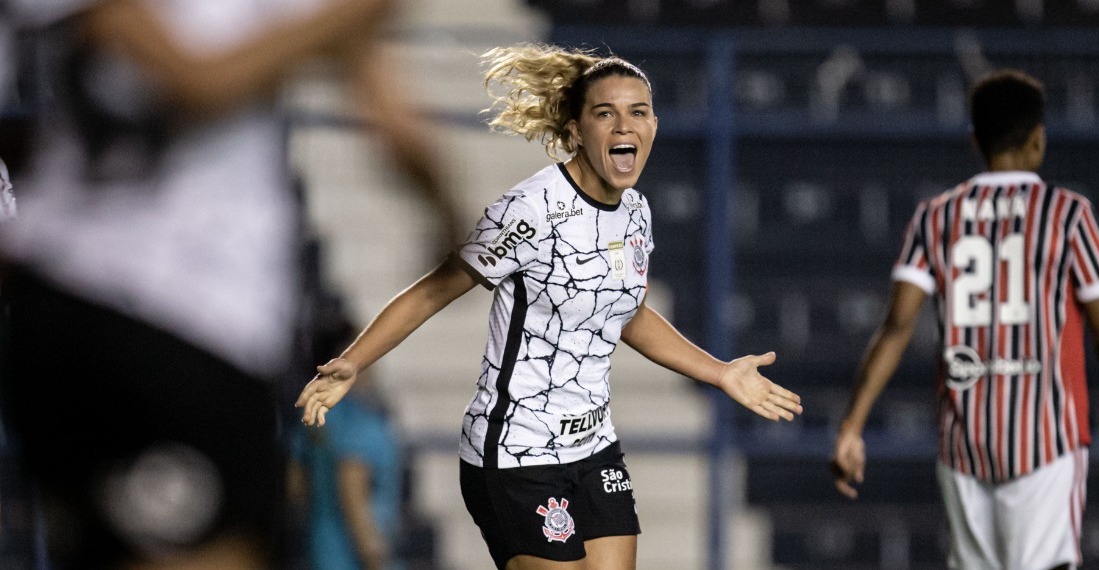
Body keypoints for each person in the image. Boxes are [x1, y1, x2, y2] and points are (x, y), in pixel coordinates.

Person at [296, 43, 804, 570]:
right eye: (605, 113)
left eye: (639, 112)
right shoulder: (530, 211)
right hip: (517, 452)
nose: (625, 126)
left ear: (654, 126)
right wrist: (353, 362)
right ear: (577, 131)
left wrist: (720, 373)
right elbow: (432, 290)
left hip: (594, 444)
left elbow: (624, 314)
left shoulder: (635, 213)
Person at [0, 0, 460, 568]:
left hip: (57, 308)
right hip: (186, 319)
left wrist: (448, 215)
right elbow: (194, 82)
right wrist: (336, 24)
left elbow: (400, 131)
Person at [831, 69, 1099, 570]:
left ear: (975, 142)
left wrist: (852, 426)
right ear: (1038, 140)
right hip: (1046, 437)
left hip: (964, 443)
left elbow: (896, 327)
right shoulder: (1068, 215)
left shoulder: (937, 216)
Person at [289, 313, 404, 570]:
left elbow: (295, 484)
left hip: (322, 551)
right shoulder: (360, 419)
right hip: (359, 558)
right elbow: (352, 489)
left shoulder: (312, 413)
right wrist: (374, 557)